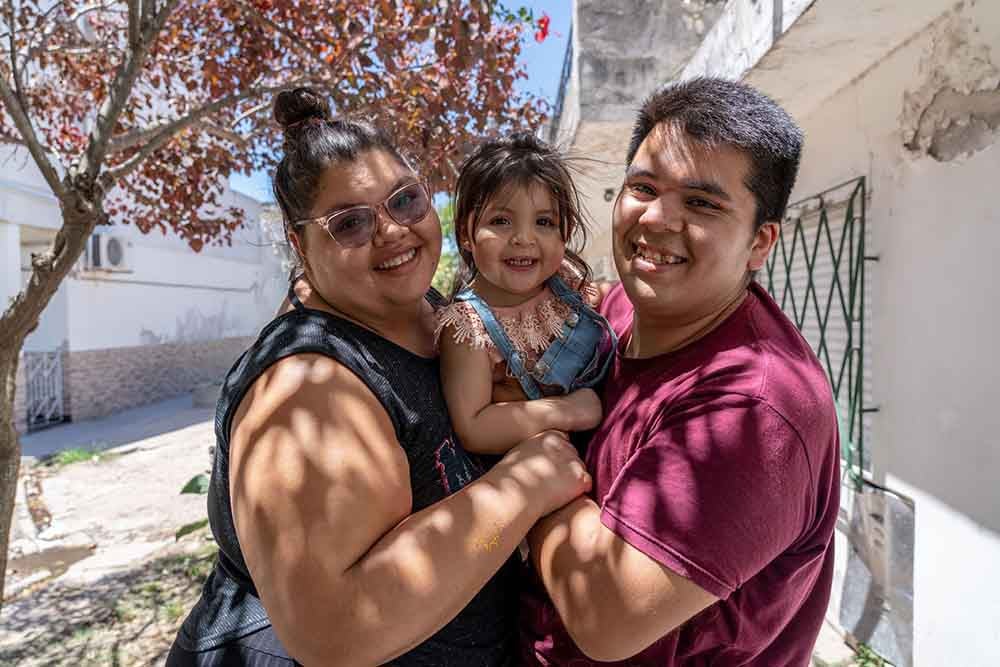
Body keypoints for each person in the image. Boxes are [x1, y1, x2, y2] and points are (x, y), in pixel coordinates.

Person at [166, 87, 594, 667]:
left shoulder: (430, 312)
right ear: (300, 243)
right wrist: (528, 482)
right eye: (350, 224)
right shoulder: (305, 388)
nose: (392, 231)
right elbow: (334, 632)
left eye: (406, 201)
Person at [520, 77, 842, 665]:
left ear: (759, 243)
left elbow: (607, 617)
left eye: (702, 203)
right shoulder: (618, 309)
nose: (657, 219)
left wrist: (530, 468)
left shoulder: (754, 405)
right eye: (642, 187)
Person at [436, 133, 614, 457]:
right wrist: (569, 410)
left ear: (566, 233)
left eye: (544, 222)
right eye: (501, 220)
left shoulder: (564, 281)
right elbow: (475, 426)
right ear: (466, 234)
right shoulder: (468, 328)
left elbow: (600, 301)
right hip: (537, 467)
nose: (523, 238)